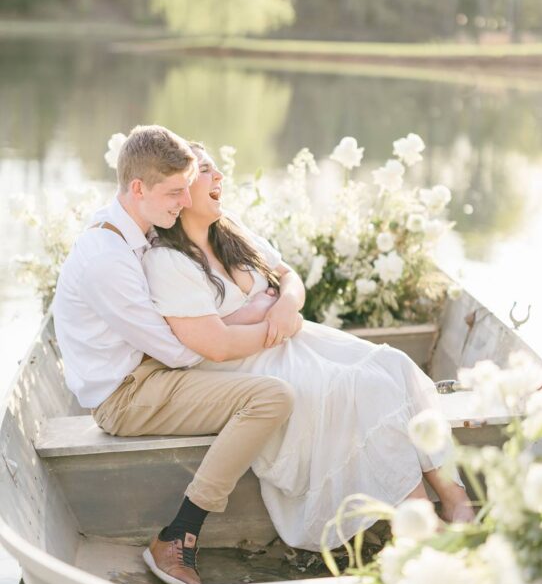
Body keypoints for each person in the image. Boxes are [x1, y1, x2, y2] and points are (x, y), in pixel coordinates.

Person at [142, 142, 474, 554]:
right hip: (247, 367)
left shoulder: (230, 232)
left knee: (394, 364)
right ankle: (418, 519)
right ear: (181, 190)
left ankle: (457, 500)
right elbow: (215, 346)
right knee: (362, 387)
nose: (219, 178)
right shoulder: (168, 262)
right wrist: (272, 323)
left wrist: (283, 304)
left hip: (296, 338)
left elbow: (288, 276)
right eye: (207, 171)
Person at [53, 126, 294, 584]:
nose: (185, 202)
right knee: (270, 398)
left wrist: (236, 321)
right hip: (126, 395)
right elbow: (178, 349)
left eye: (188, 189)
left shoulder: (133, 231)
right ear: (138, 188)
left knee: (285, 374)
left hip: (151, 372)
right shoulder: (107, 257)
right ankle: (178, 533)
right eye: (174, 192)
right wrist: (261, 322)